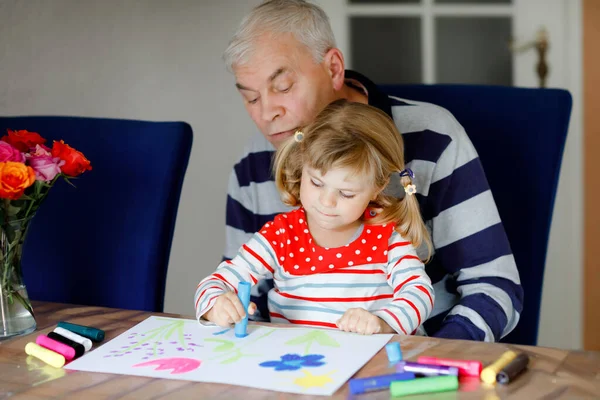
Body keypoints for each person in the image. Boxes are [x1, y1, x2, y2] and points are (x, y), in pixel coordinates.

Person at [219, 0, 523, 341]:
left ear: (333, 68)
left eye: (284, 87)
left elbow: (495, 287)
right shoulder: (253, 162)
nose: (266, 114)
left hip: (412, 363)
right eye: (250, 97)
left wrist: (433, 362)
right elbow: (244, 292)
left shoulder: (434, 136)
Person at [195, 100, 433, 335]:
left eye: (346, 193)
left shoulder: (387, 235)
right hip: (296, 366)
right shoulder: (281, 235)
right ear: (302, 167)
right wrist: (216, 306)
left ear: (377, 187)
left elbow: (419, 292)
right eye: (317, 183)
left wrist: (383, 323)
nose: (327, 201)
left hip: (373, 366)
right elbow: (216, 283)